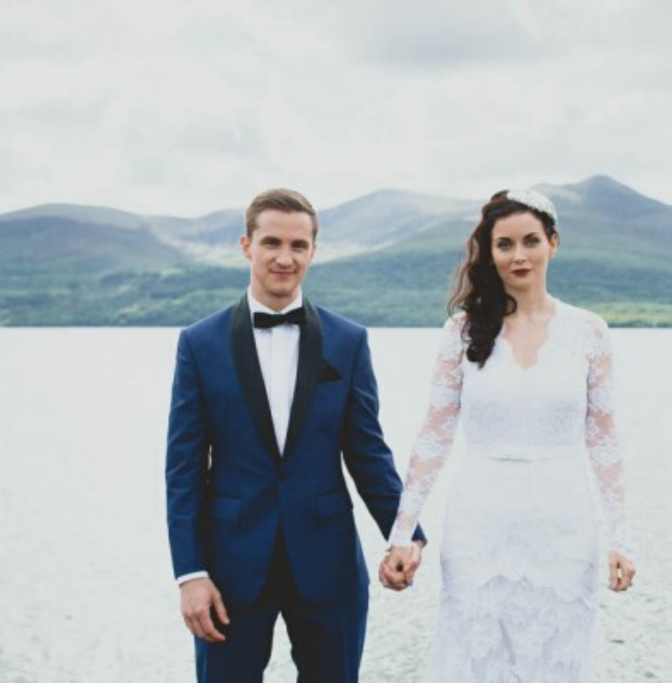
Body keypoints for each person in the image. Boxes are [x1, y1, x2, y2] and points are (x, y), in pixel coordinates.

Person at [165, 188, 425, 683]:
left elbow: (368, 452)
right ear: (247, 246)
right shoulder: (199, 344)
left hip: (329, 568)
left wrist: (404, 534)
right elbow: (183, 470)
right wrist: (190, 573)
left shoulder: (349, 341)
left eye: (298, 246)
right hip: (229, 571)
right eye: (271, 243)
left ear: (312, 251)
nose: (285, 258)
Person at [379, 188, 637, 681]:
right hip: (480, 522)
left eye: (530, 241)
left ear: (553, 244)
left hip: (563, 526)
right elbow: (433, 438)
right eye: (505, 244)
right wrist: (401, 533)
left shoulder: (589, 332)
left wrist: (622, 538)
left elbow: (604, 442)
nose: (519, 255)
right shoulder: (462, 331)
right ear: (490, 253)